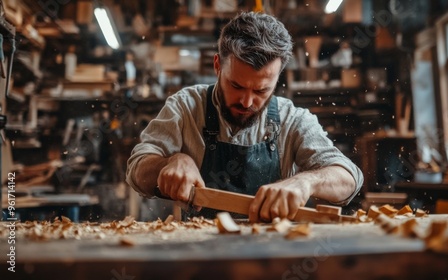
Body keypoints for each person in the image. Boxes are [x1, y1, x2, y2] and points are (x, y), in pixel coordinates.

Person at [126, 11, 363, 222]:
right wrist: (168, 162)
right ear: (218, 65)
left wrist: (305, 182)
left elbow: (349, 179)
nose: (247, 102)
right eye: (236, 86)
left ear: (276, 79)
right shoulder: (185, 107)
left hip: (273, 253)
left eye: (261, 90)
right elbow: (137, 171)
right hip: (200, 253)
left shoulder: (293, 119)